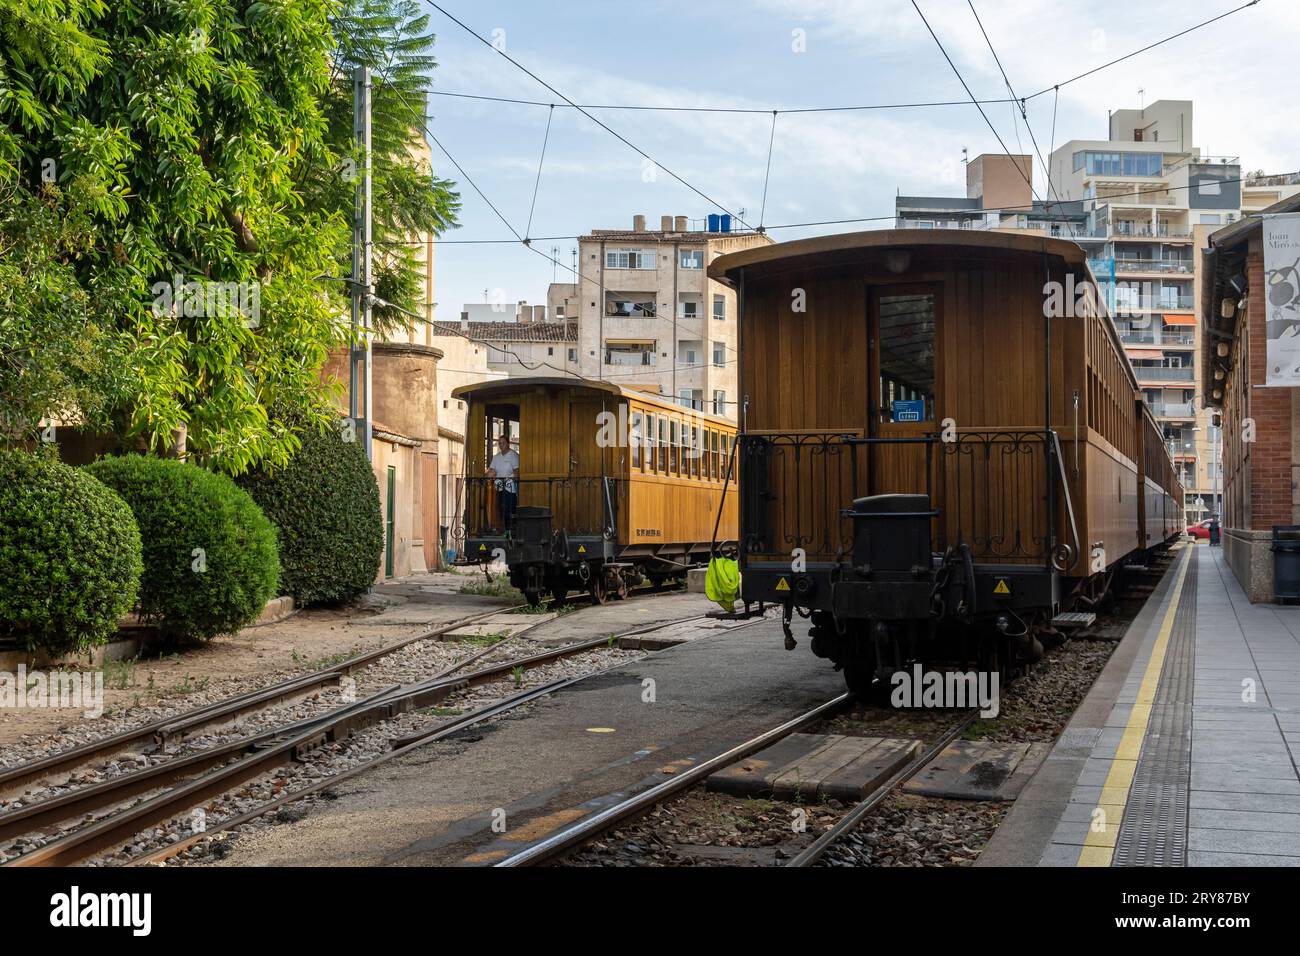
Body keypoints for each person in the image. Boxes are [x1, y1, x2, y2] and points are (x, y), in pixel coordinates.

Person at [487, 434, 519, 533]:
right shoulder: (496, 457)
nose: (501, 445)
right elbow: (491, 470)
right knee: (500, 508)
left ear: (508, 444)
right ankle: (501, 529)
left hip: (510, 487)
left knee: (509, 508)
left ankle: (510, 530)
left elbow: (517, 471)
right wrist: (487, 476)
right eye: (499, 443)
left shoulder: (513, 455)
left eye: (503, 443)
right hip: (499, 486)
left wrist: (509, 478)